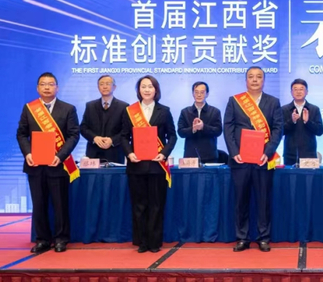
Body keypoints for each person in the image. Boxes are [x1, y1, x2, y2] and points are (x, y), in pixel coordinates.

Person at [16, 72, 80, 253]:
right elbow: (21, 134)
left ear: (57, 88)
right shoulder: (29, 109)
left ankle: (61, 238)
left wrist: (60, 156)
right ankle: (42, 239)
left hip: (57, 165)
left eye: (50, 84)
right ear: (38, 88)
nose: (46, 87)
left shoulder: (68, 109)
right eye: (43, 84)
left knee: (60, 204)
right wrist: (27, 153)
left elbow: (73, 135)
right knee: (39, 204)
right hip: (35, 166)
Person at [223, 66, 283, 252]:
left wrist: (268, 152)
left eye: (258, 77)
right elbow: (228, 128)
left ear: (263, 80)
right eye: (251, 77)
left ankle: (263, 237)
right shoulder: (235, 101)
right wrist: (234, 152)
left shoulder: (273, 102)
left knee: (263, 200)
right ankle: (242, 237)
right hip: (240, 160)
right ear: (246, 80)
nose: (255, 80)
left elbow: (278, 129)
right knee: (241, 200)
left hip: (263, 160)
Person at [121, 75, 177, 253]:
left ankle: (154, 242)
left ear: (156, 90)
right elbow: (123, 136)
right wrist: (129, 153)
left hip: (156, 165)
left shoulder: (164, 111)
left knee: (156, 204)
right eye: (143, 86)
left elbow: (172, 136)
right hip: (136, 165)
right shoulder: (129, 111)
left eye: (150, 86)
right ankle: (142, 242)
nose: (146, 90)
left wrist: (164, 153)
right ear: (138, 90)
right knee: (139, 205)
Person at [80, 74, 129, 164]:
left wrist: (112, 140)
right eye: (101, 84)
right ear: (98, 87)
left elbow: (126, 130)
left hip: (115, 153)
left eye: (108, 84)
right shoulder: (90, 106)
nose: (105, 86)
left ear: (114, 87)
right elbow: (83, 128)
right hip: (93, 153)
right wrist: (94, 138)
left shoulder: (123, 106)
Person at [281, 79, 323, 165]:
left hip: (310, 155)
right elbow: (280, 131)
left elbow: (320, 131)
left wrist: (308, 122)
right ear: (291, 92)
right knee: (289, 174)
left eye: (301, 89)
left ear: (307, 92)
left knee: (309, 174)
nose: (298, 92)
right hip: (290, 156)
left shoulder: (314, 109)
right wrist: (292, 121)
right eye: (295, 89)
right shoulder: (284, 109)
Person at [177, 81, 222, 163]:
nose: (199, 95)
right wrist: (193, 129)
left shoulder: (215, 111)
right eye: (196, 92)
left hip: (210, 156)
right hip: (190, 156)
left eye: (202, 92)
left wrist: (203, 127)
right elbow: (180, 132)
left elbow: (218, 131)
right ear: (193, 94)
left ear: (207, 94)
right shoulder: (185, 112)